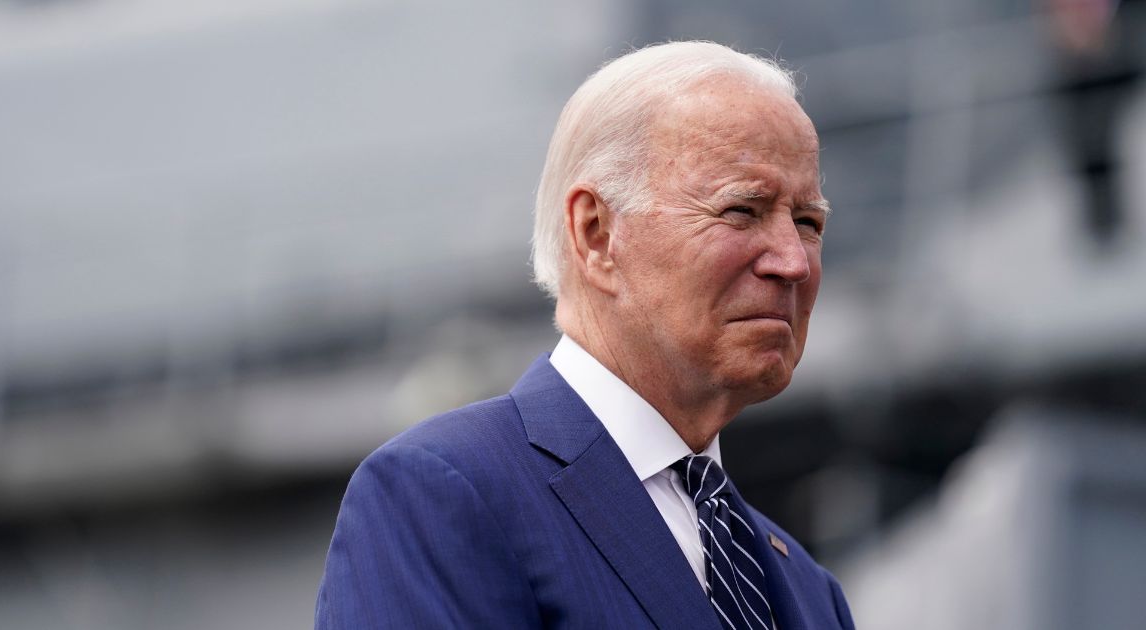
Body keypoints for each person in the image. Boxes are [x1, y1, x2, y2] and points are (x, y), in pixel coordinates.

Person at [315, 41, 855, 630]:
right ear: (596, 234)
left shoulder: (807, 590)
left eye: (808, 223)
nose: (793, 263)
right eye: (741, 211)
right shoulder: (442, 496)